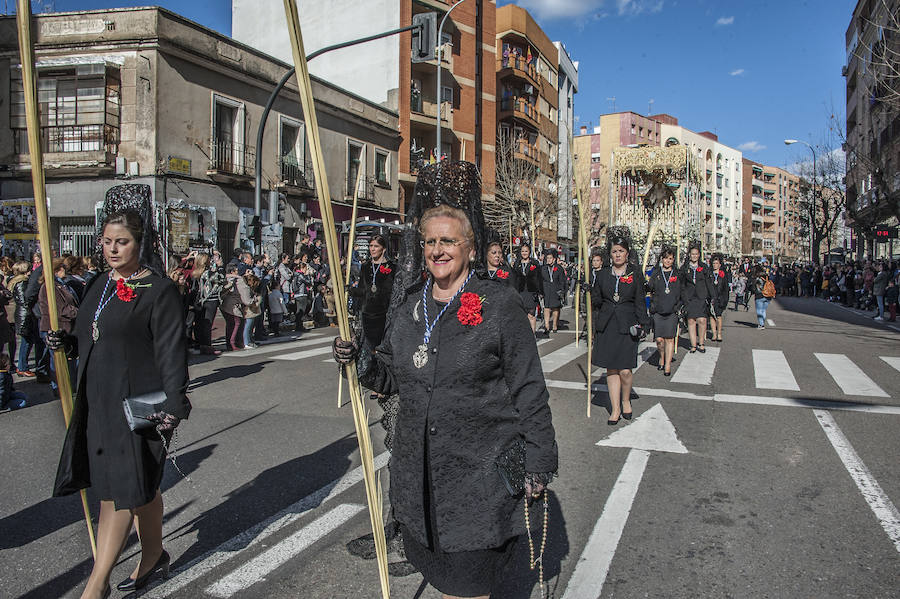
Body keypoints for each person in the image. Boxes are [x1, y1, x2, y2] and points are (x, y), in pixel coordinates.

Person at [333, 161, 557, 599]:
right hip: (423, 480)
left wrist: (540, 459)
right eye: (430, 241)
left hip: (480, 478)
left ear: (471, 249)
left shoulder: (498, 305)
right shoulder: (411, 307)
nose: (438, 250)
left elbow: (529, 387)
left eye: (449, 241)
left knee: (466, 585)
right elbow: (390, 376)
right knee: (444, 577)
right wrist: (356, 356)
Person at [51, 203, 190, 599]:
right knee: (139, 484)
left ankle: (96, 585)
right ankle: (153, 554)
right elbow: (93, 334)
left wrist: (175, 403)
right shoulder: (98, 283)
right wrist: (67, 343)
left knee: (120, 489)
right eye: (107, 242)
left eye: (122, 242)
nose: (113, 249)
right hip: (99, 400)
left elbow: (170, 351)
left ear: (139, 244)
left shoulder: (158, 289)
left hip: (141, 404)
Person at [591, 227, 650, 425]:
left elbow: (640, 301)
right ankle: (615, 408)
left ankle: (626, 399)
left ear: (627, 253)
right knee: (612, 369)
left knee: (625, 370)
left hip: (627, 324)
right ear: (611, 253)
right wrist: (589, 290)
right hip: (608, 325)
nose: (617, 254)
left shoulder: (635, 274)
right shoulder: (603, 274)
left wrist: (645, 324)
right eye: (614, 251)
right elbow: (597, 302)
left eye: (621, 251)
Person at [351, 235, 395, 348]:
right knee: (368, 349)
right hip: (367, 314)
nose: (372, 249)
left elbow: (395, 292)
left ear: (383, 249)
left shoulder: (392, 267)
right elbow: (362, 290)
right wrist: (350, 290)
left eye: (376, 246)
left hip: (385, 314)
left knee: (383, 348)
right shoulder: (365, 266)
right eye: (371, 246)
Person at [647, 246, 681, 377]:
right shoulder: (656, 273)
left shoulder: (677, 274)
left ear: (673, 260)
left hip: (672, 311)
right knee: (660, 340)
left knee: (670, 339)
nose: (668, 261)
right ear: (662, 259)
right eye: (666, 258)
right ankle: (661, 356)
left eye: (670, 259)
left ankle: (667, 364)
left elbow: (682, 290)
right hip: (658, 311)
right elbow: (649, 288)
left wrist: (679, 306)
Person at [680, 242, 714, 353]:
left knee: (702, 320)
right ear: (689, 255)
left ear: (699, 255)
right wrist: (683, 298)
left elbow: (709, 283)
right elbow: (682, 284)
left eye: (696, 254)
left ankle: (701, 343)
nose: (694, 256)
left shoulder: (704, 267)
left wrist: (712, 296)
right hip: (689, 298)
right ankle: (693, 345)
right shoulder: (684, 268)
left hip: (701, 297)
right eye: (692, 254)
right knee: (691, 320)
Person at [8, 261, 33, 376]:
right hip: (24, 314)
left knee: (26, 340)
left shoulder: (14, 281)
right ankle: (22, 367)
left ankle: (22, 366)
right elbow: (24, 300)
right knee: (26, 341)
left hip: (22, 313)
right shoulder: (21, 282)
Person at [220, 263, 252, 351]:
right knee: (236, 323)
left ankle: (231, 343)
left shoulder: (226, 278)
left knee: (230, 324)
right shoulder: (240, 280)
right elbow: (246, 299)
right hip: (233, 306)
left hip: (225, 305)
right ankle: (232, 343)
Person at [512, 243, 542, 332]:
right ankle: (523, 335)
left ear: (529, 252)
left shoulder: (534, 263)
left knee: (531, 315)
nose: (524, 253)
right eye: (522, 251)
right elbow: (514, 278)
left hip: (531, 292)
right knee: (521, 315)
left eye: (526, 251)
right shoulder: (517, 263)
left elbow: (539, 278)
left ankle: (532, 335)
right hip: (520, 291)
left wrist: (540, 291)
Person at [540, 251, 566, 334]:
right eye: (547, 258)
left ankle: (555, 324)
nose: (549, 260)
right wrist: (540, 291)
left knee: (555, 308)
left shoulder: (559, 268)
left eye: (550, 258)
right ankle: (547, 326)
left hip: (556, 289)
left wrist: (562, 290)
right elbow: (540, 280)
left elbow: (562, 280)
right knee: (546, 308)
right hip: (546, 289)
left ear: (554, 259)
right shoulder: (543, 268)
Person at [709, 254, 729, 343]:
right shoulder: (709, 274)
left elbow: (726, 289)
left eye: (717, 263)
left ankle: (719, 333)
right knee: (712, 316)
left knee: (719, 316)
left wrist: (725, 300)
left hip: (720, 298)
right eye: (713, 263)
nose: (715, 265)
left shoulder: (723, 275)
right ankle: (714, 333)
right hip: (711, 298)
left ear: (720, 265)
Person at [242, 272, 262, 349]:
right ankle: (246, 342)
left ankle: (250, 340)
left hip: (251, 311)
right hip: (249, 311)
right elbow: (249, 301)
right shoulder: (248, 290)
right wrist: (256, 299)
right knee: (247, 327)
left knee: (250, 327)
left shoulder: (250, 290)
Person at [752, 265, 772, 329]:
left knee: (759, 310)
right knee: (763, 310)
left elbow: (753, 287)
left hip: (759, 295)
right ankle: (762, 323)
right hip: (768, 294)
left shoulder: (756, 277)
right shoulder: (766, 276)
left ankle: (761, 324)